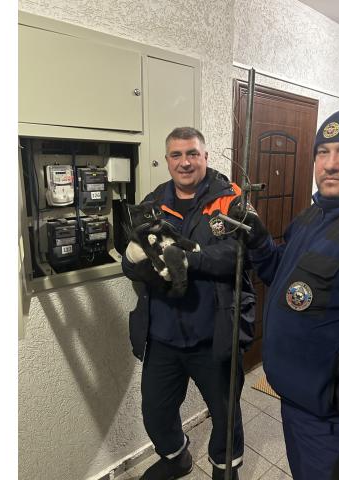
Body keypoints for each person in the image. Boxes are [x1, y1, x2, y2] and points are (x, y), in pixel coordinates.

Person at [232, 107, 339, 479]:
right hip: (298, 403)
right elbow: (284, 279)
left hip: (337, 424)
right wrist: (260, 242)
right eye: (322, 152)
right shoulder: (315, 215)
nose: (330, 164)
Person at [122, 127, 256, 480]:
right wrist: (132, 258)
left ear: (205, 156)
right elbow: (133, 262)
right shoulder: (152, 202)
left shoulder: (230, 199)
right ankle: (175, 458)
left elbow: (242, 254)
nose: (185, 162)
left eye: (193, 153)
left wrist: (190, 258)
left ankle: (225, 469)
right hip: (162, 336)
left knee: (225, 415)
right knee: (155, 412)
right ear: (167, 160)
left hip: (213, 335)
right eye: (177, 155)